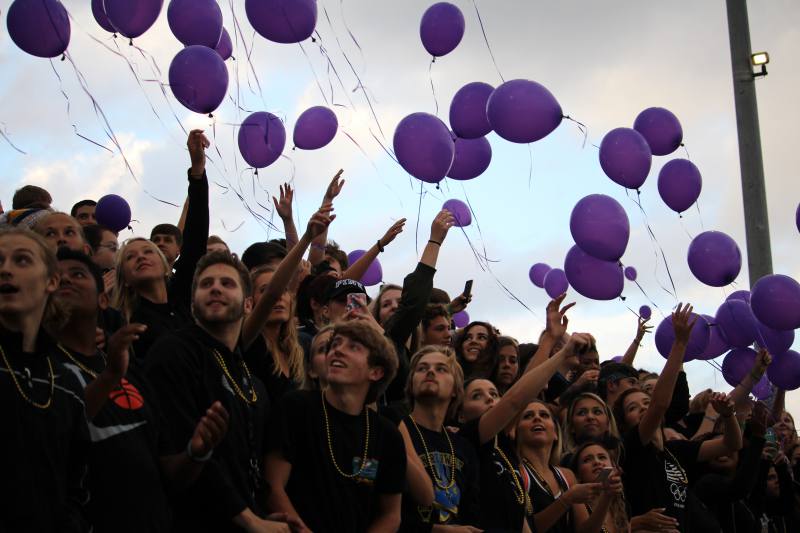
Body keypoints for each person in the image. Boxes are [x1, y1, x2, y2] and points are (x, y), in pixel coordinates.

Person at [146, 250, 291, 532]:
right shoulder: (173, 353)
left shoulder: (251, 379)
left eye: (227, 283)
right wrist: (249, 520)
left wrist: (260, 513)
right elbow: (172, 462)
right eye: (206, 283)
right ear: (192, 302)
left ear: (248, 304)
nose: (215, 287)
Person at [52, 248, 178, 532]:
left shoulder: (130, 367)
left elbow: (164, 460)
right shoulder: (39, 369)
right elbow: (58, 434)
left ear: (103, 299)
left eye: (78, 274)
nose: (66, 281)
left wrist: (198, 452)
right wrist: (110, 377)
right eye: (56, 277)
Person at [265, 321, 406, 533]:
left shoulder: (388, 434)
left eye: (354, 347)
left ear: (376, 372)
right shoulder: (295, 407)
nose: (338, 350)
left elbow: (391, 515)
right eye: (336, 344)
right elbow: (272, 487)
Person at [614, 303, 743, 530]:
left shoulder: (675, 451)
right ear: (624, 423)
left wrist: (729, 415)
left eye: (645, 401)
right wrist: (680, 344)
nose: (644, 408)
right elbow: (659, 405)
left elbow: (732, 444)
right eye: (633, 408)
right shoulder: (632, 447)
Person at [457, 326, 595, 532]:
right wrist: (562, 352)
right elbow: (516, 398)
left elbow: (524, 389)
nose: (489, 398)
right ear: (460, 413)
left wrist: (550, 337)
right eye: (477, 395)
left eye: (494, 394)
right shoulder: (469, 439)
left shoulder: (505, 444)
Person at [0, 227, 90, 532]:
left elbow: (75, 482)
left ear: (51, 281)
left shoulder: (67, 381)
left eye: (21, 260)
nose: (6, 270)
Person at [113, 130, 210, 359]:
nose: (141, 256)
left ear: (167, 264)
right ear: (123, 277)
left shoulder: (184, 298)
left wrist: (197, 172)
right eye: (130, 256)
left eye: (148, 251)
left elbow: (196, 236)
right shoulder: (122, 322)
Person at [401, 346, 480, 530]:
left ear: (455, 390)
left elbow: (471, 512)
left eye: (441, 369)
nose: (430, 371)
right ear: (411, 384)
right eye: (422, 368)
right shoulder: (396, 429)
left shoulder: (463, 447)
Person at [515, 400, 604, 533]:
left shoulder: (567, 476)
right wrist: (567, 499)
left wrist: (607, 497)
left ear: (556, 433)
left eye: (544, 415)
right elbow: (525, 527)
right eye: (528, 416)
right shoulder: (516, 473)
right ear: (515, 432)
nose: (537, 418)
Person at [569, 440, 629, 533]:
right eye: (587, 460)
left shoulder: (620, 504)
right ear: (578, 474)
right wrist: (606, 496)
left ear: (614, 466)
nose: (597, 462)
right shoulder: (577, 501)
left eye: (602, 457)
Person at [562, 392, 621, 463]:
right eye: (582, 413)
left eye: (597, 412)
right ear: (571, 427)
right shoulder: (566, 463)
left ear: (608, 424)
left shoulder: (624, 454)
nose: (590, 417)